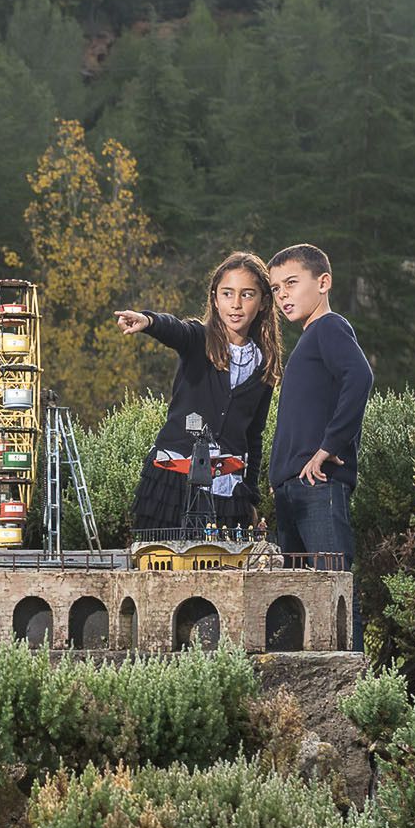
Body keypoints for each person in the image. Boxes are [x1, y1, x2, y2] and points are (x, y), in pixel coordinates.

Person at [116, 251, 282, 540]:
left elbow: (254, 434)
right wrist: (148, 321)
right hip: (172, 479)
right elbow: (175, 330)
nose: (236, 304)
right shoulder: (198, 339)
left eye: (247, 294)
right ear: (214, 297)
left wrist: (251, 496)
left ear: (264, 301)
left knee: (220, 571)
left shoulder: (264, 361)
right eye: (227, 293)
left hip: (228, 487)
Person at [266, 244, 373, 647]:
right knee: (296, 601)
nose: (283, 296)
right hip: (291, 489)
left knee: (334, 591)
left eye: (291, 284)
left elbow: (360, 378)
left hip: (318, 487)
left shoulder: (330, 327)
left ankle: (353, 692)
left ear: (323, 282)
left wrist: (330, 445)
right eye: (276, 289)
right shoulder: (308, 342)